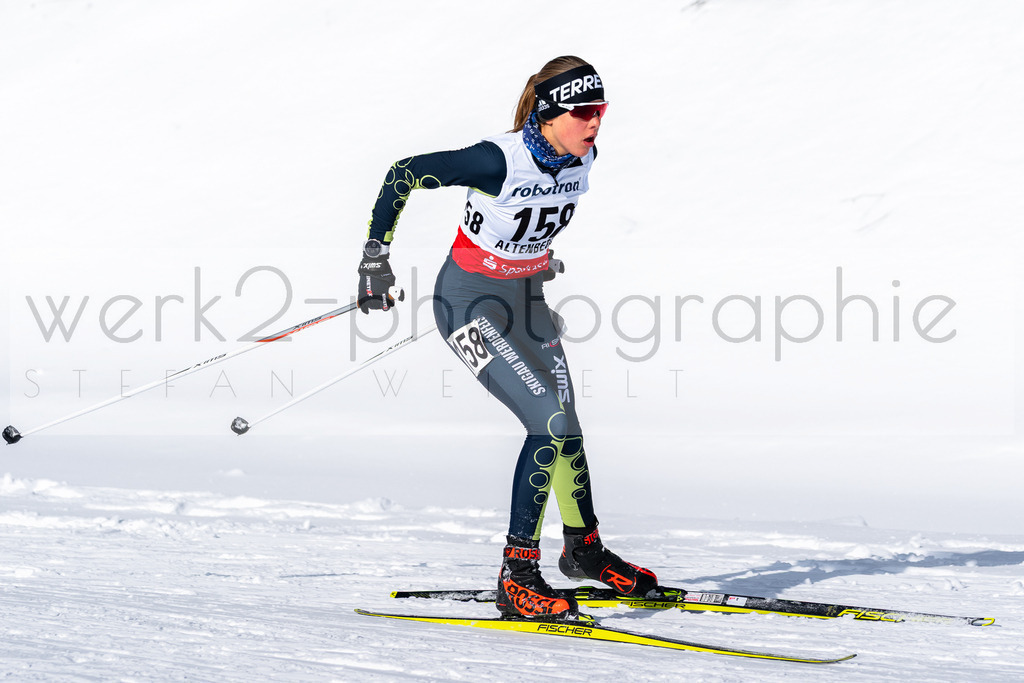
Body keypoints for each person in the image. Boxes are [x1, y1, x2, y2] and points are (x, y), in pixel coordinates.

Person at [356, 56, 659, 620]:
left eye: (602, 111)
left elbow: (531, 219)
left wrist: (536, 259)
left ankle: (584, 551)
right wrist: (375, 258)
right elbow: (402, 173)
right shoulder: (497, 160)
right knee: (546, 422)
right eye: (584, 112)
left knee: (567, 426)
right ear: (547, 114)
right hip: (468, 305)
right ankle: (516, 575)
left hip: (527, 302)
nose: (596, 123)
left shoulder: (582, 155)